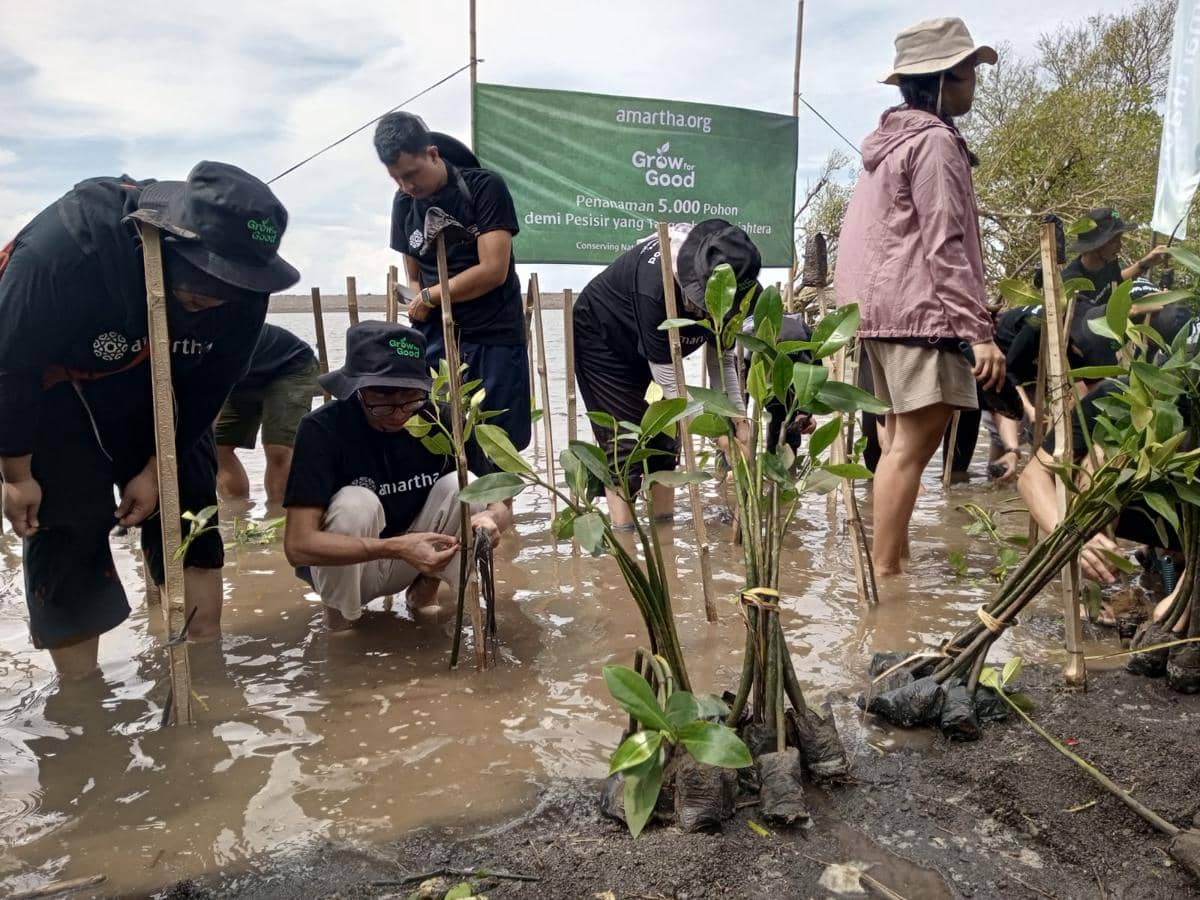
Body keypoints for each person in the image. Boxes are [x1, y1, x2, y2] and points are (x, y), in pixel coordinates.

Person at [0, 162, 299, 677]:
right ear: (164, 237)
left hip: (171, 390)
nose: (218, 297)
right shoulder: (65, 248)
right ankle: (83, 699)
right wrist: (17, 474)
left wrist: (160, 463)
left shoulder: (245, 289)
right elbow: (10, 366)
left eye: (234, 284)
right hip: (60, 394)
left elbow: (212, 385)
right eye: (207, 279)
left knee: (189, 515)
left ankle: (200, 666)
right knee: (66, 529)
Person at [834, 17, 1005, 576]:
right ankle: (886, 577)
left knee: (894, 442)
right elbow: (945, 241)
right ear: (944, 76)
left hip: (878, 317)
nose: (975, 83)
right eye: (970, 72)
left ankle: (893, 562)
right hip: (919, 315)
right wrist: (977, 330)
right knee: (913, 444)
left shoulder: (887, 146)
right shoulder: (933, 142)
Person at [282, 321, 511, 632]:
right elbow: (298, 545)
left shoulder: (443, 420)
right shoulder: (321, 429)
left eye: (411, 398)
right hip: (352, 565)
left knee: (463, 485)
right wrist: (397, 547)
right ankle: (341, 620)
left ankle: (423, 594)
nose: (399, 413)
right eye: (383, 400)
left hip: (420, 558)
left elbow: (500, 500)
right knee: (355, 503)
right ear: (357, 389)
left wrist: (493, 520)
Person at [572, 220, 759, 527]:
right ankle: (626, 537)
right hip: (603, 338)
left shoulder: (741, 289)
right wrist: (719, 436)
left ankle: (664, 531)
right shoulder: (656, 290)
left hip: (652, 350)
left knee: (663, 440)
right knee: (626, 444)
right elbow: (671, 387)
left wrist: (738, 421)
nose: (702, 311)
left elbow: (722, 361)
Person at [374, 111, 531, 452]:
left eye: (413, 174)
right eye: (397, 178)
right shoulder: (404, 203)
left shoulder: (484, 187)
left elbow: (493, 270)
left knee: (499, 443)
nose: (407, 186)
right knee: (439, 435)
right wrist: (421, 298)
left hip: (494, 333)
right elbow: (414, 275)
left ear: (432, 154)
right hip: (437, 337)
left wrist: (431, 296)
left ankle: (499, 506)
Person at [216, 324, 320, 505]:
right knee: (217, 447)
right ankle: (237, 514)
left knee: (278, 449)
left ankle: (279, 517)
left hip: (289, 367)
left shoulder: (218, 327)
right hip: (241, 379)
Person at [1062, 208, 1169, 308]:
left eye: (1119, 239)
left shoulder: (1108, 264)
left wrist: (1145, 263)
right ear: (1095, 246)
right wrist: (1138, 307)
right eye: (1113, 241)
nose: (1119, 246)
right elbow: (1085, 319)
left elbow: (1118, 280)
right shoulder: (1072, 282)